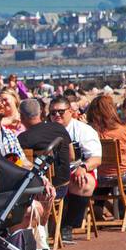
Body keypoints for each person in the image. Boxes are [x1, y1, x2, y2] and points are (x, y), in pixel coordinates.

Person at [43, 99, 99, 242]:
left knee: (84, 182)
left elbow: (96, 158)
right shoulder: (44, 129)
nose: (57, 115)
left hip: (76, 170)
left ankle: (67, 225)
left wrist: (83, 167)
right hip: (51, 173)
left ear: (71, 112)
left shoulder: (84, 130)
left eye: (61, 112)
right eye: (53, 112)